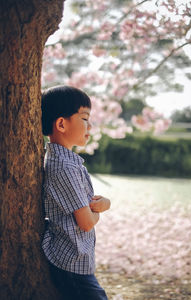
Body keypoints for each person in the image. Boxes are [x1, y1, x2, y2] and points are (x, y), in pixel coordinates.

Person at [41, 85, 111, 300]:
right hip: (71, 261)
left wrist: (99, 205)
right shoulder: (63, 167)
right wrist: (102, 208)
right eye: (84, 118)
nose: (90, 125)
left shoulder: (68, 163)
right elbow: (86, 222)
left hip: (76, 258)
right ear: (61, 123)